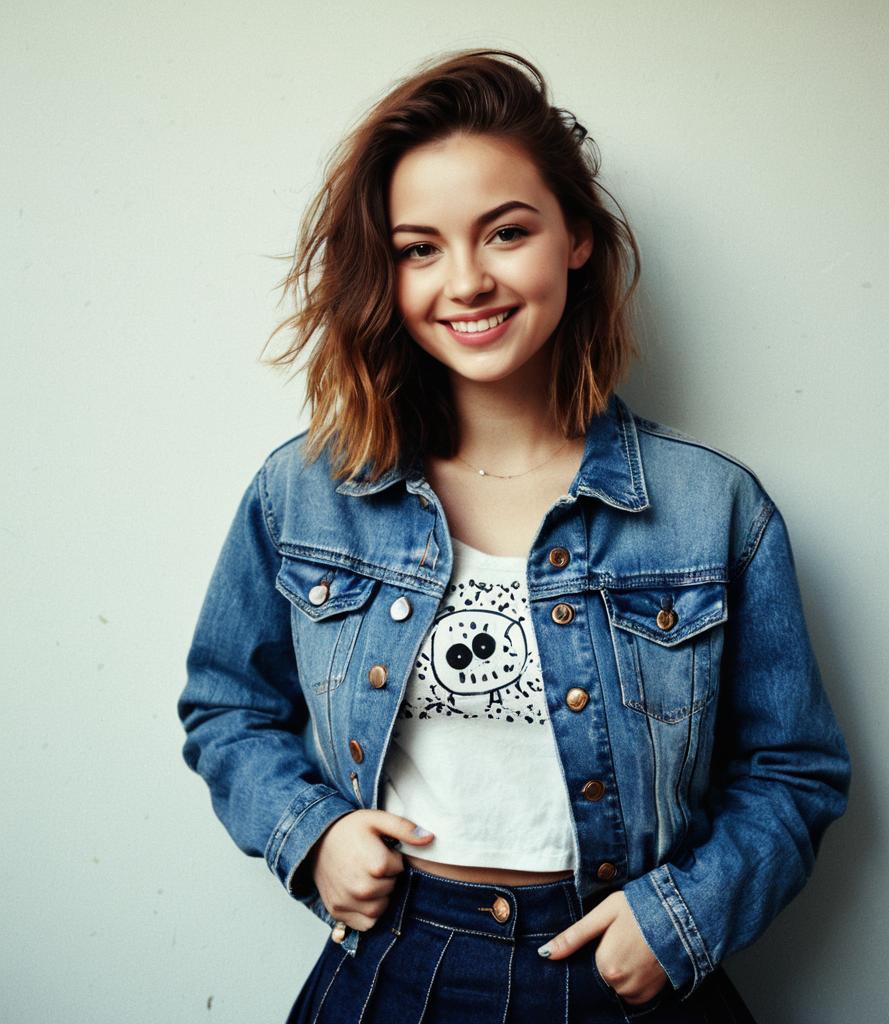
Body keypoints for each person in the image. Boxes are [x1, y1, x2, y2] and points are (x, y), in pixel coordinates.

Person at [178, 48, 851, 1023]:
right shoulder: (308, 490)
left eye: (504, 232)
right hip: (399, 967)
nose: (466, 281)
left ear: (574, 237)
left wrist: (681, 919)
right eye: (419, 248)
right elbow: (227, 705)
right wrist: (311, 835)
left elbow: (792, 768)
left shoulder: (714, 510)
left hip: (629, 968)